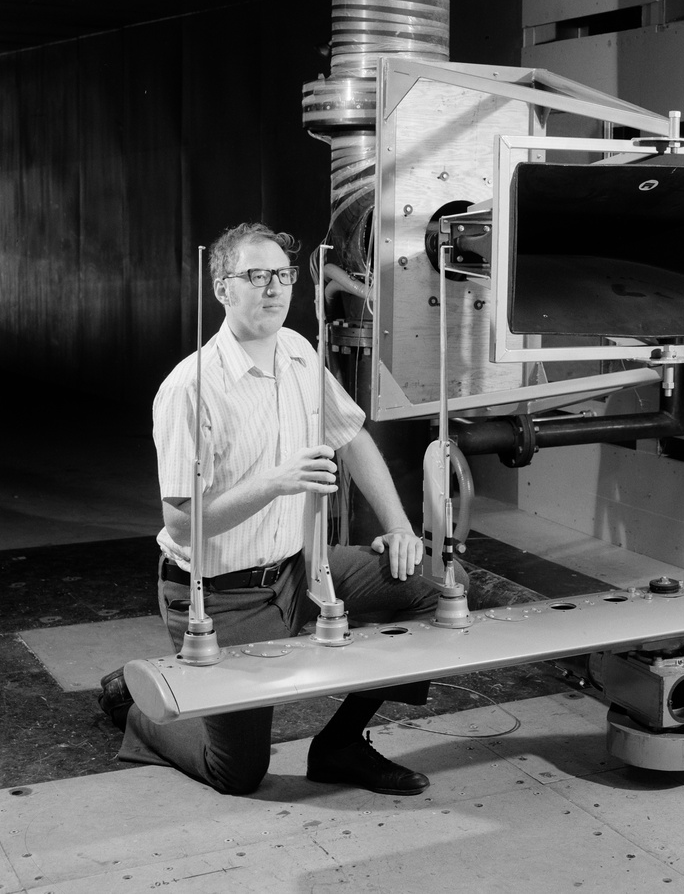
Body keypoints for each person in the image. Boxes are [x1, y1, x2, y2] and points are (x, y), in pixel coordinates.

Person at [99, 221, 463, 796]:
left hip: (299, 572)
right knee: (238, 774)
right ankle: (141, 706)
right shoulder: (189, 388)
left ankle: (341, 743)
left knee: (433, 587)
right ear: (223, 289)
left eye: (283, 275)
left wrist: (399, 528)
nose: (273, 288)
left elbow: (355, 436)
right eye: (255, 275)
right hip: (219, 594)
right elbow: (182, 524)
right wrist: (275, 482)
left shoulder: (296, 350)